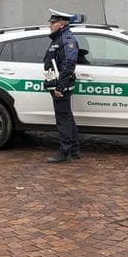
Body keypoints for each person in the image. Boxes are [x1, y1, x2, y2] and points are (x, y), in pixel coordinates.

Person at [43, 9, 80, 164]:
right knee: (67, 117)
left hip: (61, 87)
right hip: (59, 84)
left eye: (53, 22)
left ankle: (65, 153)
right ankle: (74, 150)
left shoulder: (66, 40)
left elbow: (68, 65)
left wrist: (59, 87)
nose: (50, 25)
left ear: (62, 23)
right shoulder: (59, 38)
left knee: (63, 119)